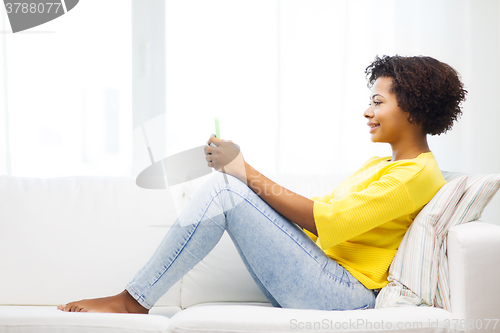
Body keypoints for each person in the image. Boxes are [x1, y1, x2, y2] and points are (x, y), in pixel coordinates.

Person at [57, 55, 467, 313]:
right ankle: (133, 299)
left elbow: (324, 221)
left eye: (378, 102)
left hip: (345, 294)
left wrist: (243, 171)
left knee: (225, 191)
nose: (367, 111)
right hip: (324, 279)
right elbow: (321, 212)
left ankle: (132, 301)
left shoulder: (414, 174)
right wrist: (243, 174)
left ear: (413, 108)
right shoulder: (384, 165)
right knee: (231, 190)